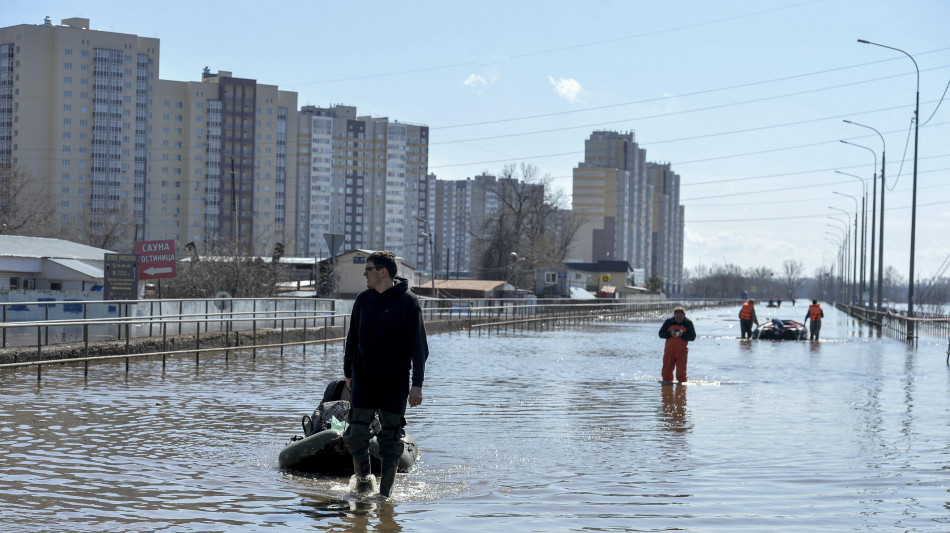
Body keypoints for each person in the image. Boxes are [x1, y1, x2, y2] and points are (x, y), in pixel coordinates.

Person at [343, 250, 428, 498]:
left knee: (390, 442)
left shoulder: (408, 302)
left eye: (368, 269)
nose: (364, 274)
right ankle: (363, 484)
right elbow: (352, 339)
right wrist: (348, 372)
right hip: (364, 380)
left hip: (395, 382)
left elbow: (420, 347)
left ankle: (385, 496)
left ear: (383, 272)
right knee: (355, 435)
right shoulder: (363, 300)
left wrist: (417, 384)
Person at [658, 307, 697, 384]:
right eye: (676, 317)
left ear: (684, 315)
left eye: (680, 317)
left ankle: (682, 387)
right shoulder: (668, 322)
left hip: (682, 351)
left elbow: (693, 337)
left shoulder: (688, 323)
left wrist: (683, 334)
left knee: (681, 373)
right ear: (674, 315)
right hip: (669, 351)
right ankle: (667, 387)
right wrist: (670, 333)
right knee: (666, 371)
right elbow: (661, 334)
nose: (678, 319)